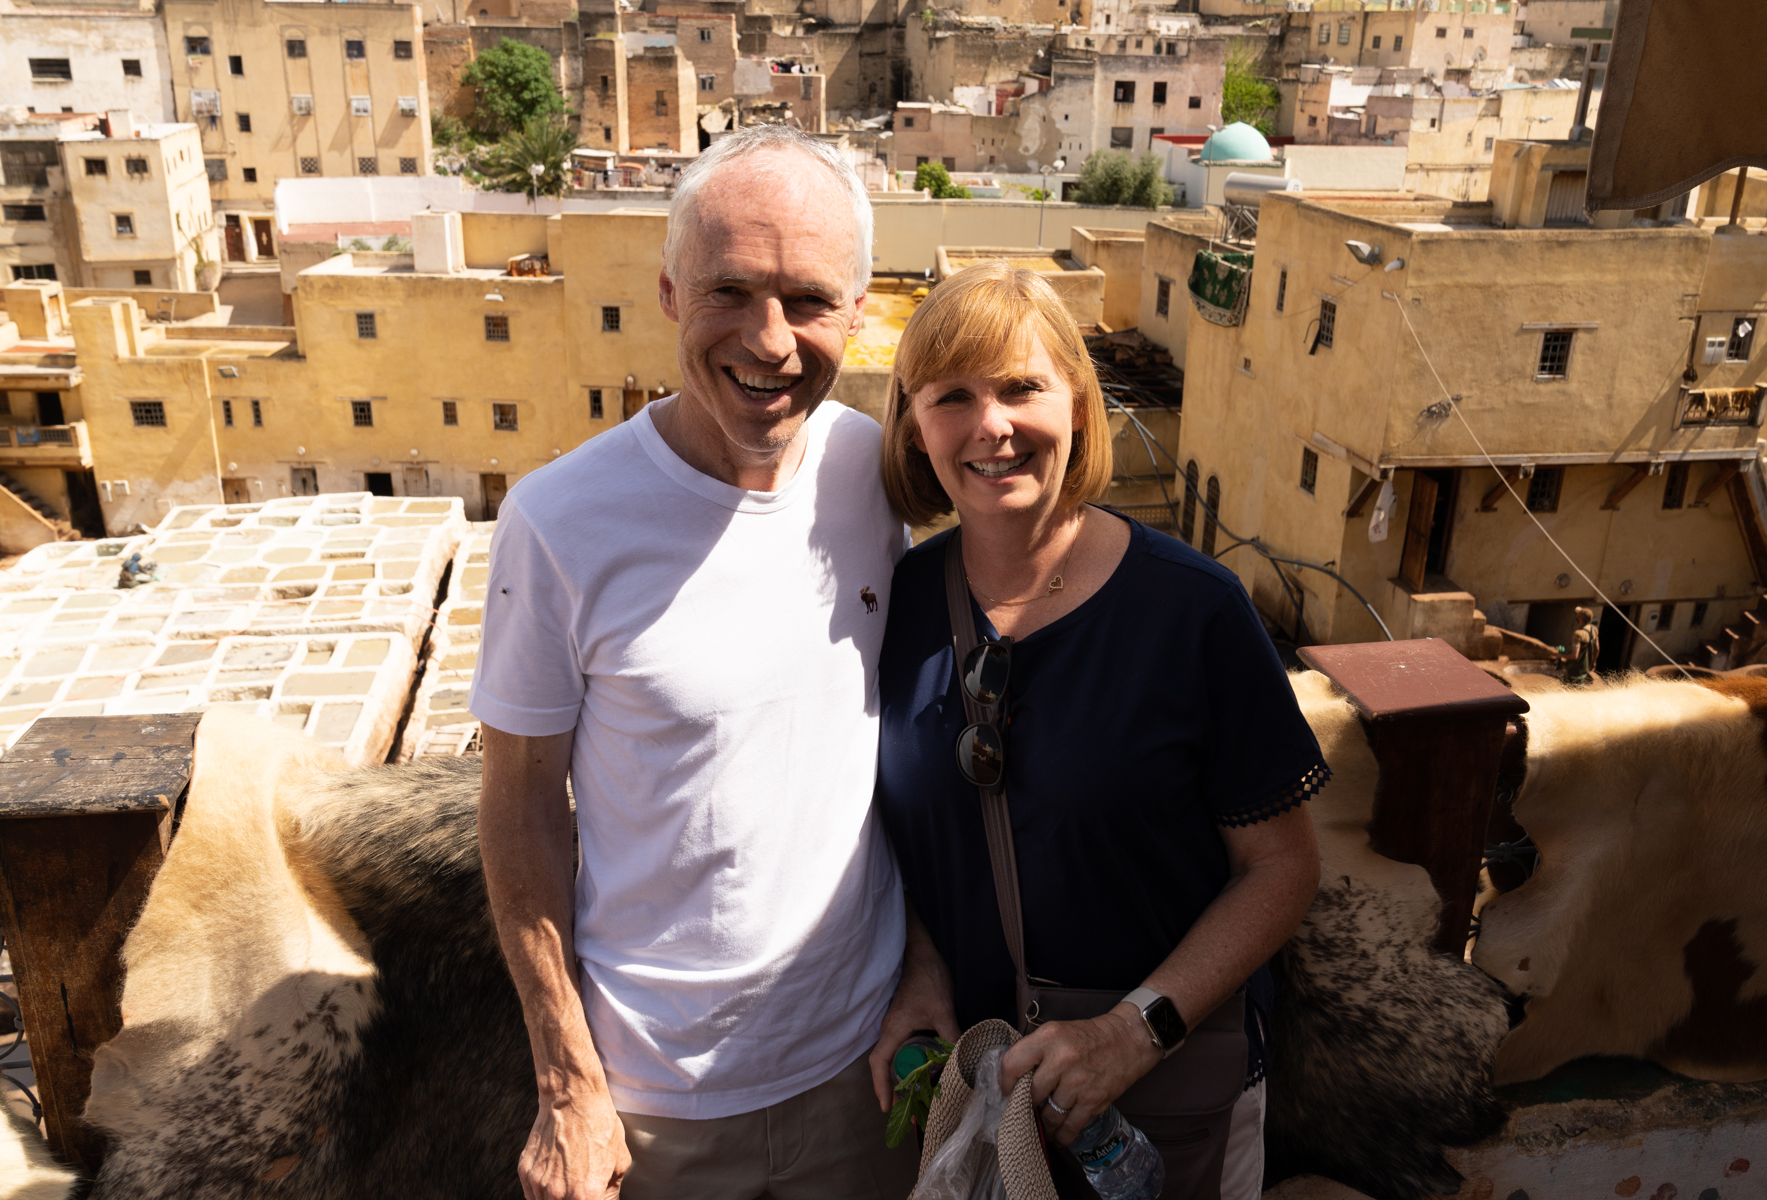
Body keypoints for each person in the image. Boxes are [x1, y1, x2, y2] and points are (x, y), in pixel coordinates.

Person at [471, 124, 919, 1200]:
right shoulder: (558, 521)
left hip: (864, 1069)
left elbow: (909, 743)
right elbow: (520, 807)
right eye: (730, 291)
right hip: (651, 1105)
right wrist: (568, 1085)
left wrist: (930, 968)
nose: (770, 341)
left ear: (859, 313)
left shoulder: (874, 471)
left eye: (808, 300)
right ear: (671, 292)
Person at [867, 264, 1328, 1199]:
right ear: (914, 426)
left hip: (1162, 1096)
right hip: (983, 1092)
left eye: (1021, 388)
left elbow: (1282, 869)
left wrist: (1133, 1031)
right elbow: (903, 831)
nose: (992, 426)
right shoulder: (898, 602)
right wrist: (920, 964)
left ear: (1078, 404)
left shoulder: (1193, 609)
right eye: (952, 397)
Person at [1555, 606, 1598, 685]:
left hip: (1574, 672)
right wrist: (1594, 661)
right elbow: (1597, 648)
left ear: (1580, 618)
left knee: (1569, 688)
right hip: (1585, 669)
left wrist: (1561, 656)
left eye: (1578, 615)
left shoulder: (1578, 634)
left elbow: (1574, 656)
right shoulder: (1593, 629)